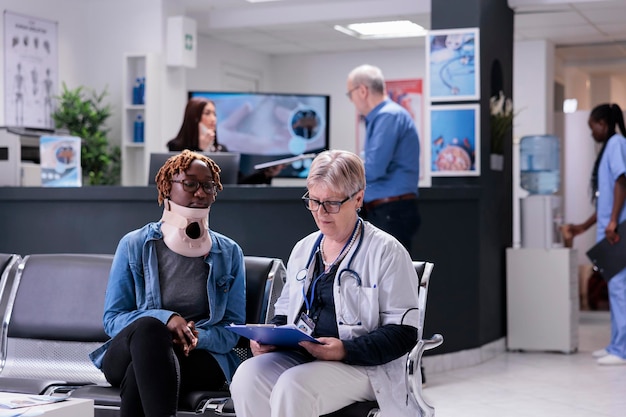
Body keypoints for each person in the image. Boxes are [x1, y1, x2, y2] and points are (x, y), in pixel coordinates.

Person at [230, 150, 421, 417]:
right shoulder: (304, 248)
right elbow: (285, 312)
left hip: (364, 366)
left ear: (358, 198)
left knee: (294, 386)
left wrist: (345, 349)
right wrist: (269, 337)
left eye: (331, 203)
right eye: (314, 201)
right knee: (247, 375)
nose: (320, 213)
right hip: (304, 356)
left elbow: (403, 334)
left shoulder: (387, 252)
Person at [89, 150, 246, 417]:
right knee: (151, 331)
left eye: (209, 185)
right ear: (166, 188)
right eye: (190, 184)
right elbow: (113, 320)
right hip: (129, 350)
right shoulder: (134, 245)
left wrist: (195, 337)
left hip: (197, 358)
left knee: (143, 369)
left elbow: (232, 331)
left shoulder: (229, 252)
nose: (200, 192)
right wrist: (167, 320)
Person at [562, 103, 626, 366]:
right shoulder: (611, 146)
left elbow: (622, 182)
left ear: (603, 123)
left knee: (620, 289)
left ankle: (621, 350)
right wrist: (584, 226)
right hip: (610, 229)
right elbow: (605, 199)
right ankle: (615, 345)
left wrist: (612, 221)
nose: (592, 133)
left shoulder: (616, 144)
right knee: (615, 289)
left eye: (593, 127)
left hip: (617, 232)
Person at [346, 64, 420, 253]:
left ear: (362, 91)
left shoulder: (388, 116)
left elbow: (374, 168)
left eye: (350, 95)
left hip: (391, 212)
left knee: (390, 277)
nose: (352, 101)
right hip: (388, 211)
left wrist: (344, 173)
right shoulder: (384, 116)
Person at [167, 97, 283, 184]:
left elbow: (237, 182)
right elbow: (184, 180)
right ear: (194, 118)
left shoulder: (221, 149)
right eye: (207, 113)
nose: (213, 119)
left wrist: (266, 174)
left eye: (214, 114)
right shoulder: (176, 147)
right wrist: (200, 150)